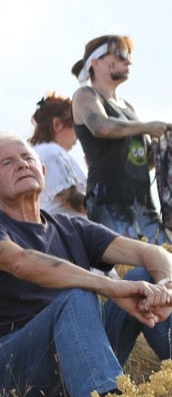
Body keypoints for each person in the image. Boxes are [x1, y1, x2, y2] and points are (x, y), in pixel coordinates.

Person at [0, 135, 172, 397]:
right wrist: (110, 287)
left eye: (27, 158)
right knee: (78, 293)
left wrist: (163, 285)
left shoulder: (71, 227)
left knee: (142, 276)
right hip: (6, 365)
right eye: (7, 162)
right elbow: (21, 263)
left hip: (75, 353)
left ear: (43, 171)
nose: (22, 164)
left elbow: (153, 253)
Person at [70, 35, 172, 243]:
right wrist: (147, 127)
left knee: (166, 260)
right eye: (121, 55)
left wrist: (161, 147)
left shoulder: (128, 107)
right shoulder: (85, 95)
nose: (128, 62)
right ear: (96, 62)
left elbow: (143, 161)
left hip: (144, 207)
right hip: (109, 204)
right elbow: (102, 127)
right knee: (133, 263)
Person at [29, 93, 86, 217]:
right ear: (57, 124)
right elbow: (70, 198)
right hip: (68, 226)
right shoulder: (53, 153)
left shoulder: (35, 152)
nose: (78, 136)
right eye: (75, 127)